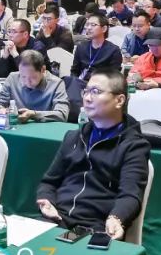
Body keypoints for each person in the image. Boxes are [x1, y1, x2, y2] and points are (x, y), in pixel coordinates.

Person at [36, 71, 150, 237]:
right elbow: (49, 182)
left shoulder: (134, 146)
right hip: (57, 219)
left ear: (119, 100)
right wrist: (47, 201)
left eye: (96, 92)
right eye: (86, 91)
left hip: (95, 227)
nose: (87, 98)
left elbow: (131, 195)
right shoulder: (73, 137)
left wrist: (116, 218)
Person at [0, 50, 69, 123]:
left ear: (43, 70)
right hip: (17, 127)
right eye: (23, 77)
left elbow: (62, 114)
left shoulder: (56, 84)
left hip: (44, 129)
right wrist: (0, 110)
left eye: (32, 77)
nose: (27, 82)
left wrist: (34, 114)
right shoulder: (13, 78)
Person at [71, 12, 122, 80]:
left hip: (102, 84)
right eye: (87, 24)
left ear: (104, 29)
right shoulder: (81, 47)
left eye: (93, 25)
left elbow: (114, 78)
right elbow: (74, 71)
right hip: (80, 84)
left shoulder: (113, 51)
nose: (88, 28)